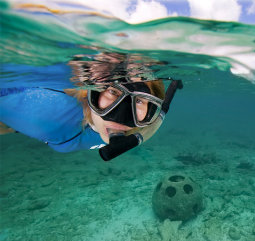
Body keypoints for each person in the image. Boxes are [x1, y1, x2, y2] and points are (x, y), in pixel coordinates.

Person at [0, 52, 182, 161]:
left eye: (140, 100)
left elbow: (156, 119)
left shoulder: (137, 130)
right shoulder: (48, 114)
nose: (121, 117)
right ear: (92, 92)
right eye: (113, 92)